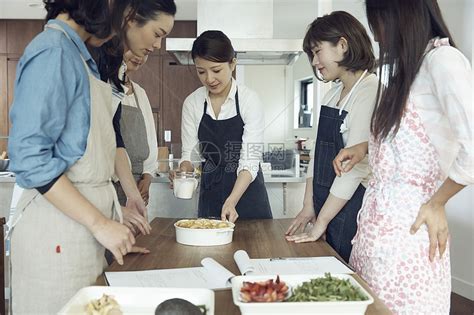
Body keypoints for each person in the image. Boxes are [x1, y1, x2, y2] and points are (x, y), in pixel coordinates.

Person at [7, 0, 175, 313]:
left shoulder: (79, 56)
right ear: (125, 11)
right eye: (157, 32)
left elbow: (89, 158)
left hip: (81, 234)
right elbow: (30, 159)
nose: (156, 44)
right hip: (57, 238)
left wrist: (113, 218)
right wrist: (100, 222)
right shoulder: (53, 51)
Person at [333, 1, 473, 313]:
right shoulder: (407, 69)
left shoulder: (444, 61)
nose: (377, 34)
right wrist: (366, 147)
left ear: (403, 14)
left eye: (379, 20)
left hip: (411, 230)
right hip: (374, 228)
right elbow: (411, 137)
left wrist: (437, 202)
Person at [285, 11, 377, 263]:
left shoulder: (369, 90)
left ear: (343, 45)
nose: (314, 62)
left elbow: (354, 169)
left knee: (345, 272)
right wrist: (308, 206)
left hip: (351, 204)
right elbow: (317, 154)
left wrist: (321, 221)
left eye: (317, 51)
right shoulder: (331, 94)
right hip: (327, 202)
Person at [177, 30, 272, 222]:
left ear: (232, 64)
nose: (209, 79)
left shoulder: (248, 100)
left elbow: (250, 160)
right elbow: (191, 154)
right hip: (210, 191)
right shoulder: (192, 103)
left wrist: (231, 201)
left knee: (255, 249)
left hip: (247, 192)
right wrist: (184, 171)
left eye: (216, 70)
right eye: (201, 71)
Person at [113, 50, 158, 211]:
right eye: (136, 50)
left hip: (138, 183)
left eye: (145, 53)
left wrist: (147, 176)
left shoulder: (140, 93)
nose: (140, 57)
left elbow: (151, 139)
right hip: (111, 184)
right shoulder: (106, 88)